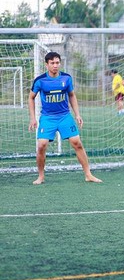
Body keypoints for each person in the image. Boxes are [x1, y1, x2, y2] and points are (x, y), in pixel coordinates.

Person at [28, 51, 102, 185]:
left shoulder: (66, 78)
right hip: (47, 118)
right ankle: (41, 176)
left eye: (57, 63)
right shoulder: (40, 80)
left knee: (77, 143)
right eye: (52, 63)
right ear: (46, 65)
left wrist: (77, 114)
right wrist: (33, 118)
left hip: (64, 117)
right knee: (41, 145)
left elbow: (72, 95)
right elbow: (31, 97)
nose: (55, 65)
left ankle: (88, 174)